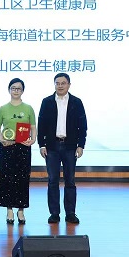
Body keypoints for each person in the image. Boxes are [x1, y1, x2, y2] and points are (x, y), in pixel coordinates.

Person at [37, 72, 88, 225]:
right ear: (54, 85)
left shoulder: (76, 102)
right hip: (51, 146)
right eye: (57, 83)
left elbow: (83, 126)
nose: (60, 86)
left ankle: (70, 213)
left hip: (70, 146)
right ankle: (54, 213)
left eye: (63, 83)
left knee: (70, 181)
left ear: (69, 85)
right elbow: (41, 125)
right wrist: (41, 145)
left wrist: (81, 145)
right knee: (53, 180)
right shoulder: (47, 102)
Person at [0, 78, 36, 225]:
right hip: (7, 146)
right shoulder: (3, 109)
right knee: (7, 178)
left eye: (19, 88)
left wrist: (33, 139)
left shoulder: (28, 108)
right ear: (9, 90)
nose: (16, 91)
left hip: (23, 147)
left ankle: (21, 210)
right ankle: (9, 209)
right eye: (13, 88)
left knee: (23, 178)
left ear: (23, 91)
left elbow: (33, 127)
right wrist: (1, 139)